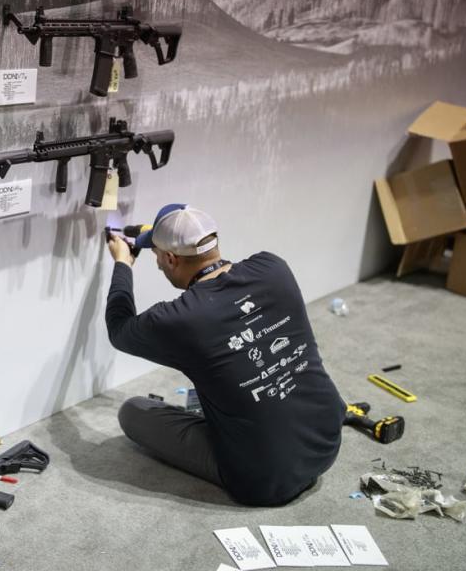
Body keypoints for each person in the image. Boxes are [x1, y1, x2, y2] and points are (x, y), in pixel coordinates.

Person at [104, 204, 344, 506]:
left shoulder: (179, 320)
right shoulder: (273, 268)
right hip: (326, 443)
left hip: (264, 478)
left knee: (134, 412)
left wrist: (122, 263)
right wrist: (148, 237)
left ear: (171, 258)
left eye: (159, 259)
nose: (159, 266)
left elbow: (118, 328)